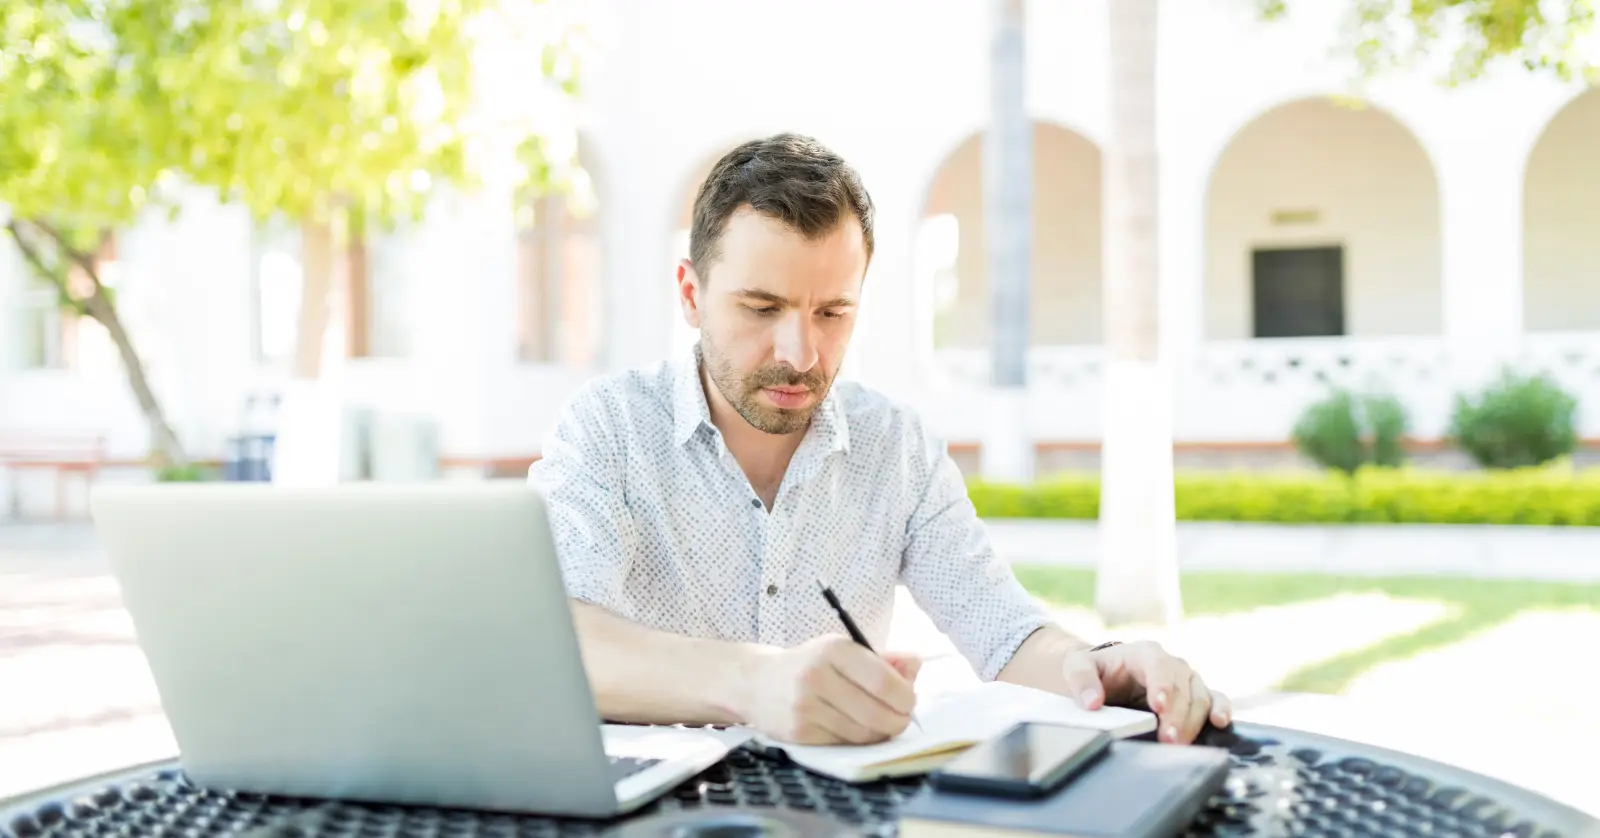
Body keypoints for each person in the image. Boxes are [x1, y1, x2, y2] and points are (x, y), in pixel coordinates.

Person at [527, 132, 1230, 748]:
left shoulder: (897, 449)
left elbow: (1002, 629)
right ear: (690, 295)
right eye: (761, 307)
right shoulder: (608, 430)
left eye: (832, 311)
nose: (800, 353)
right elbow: (553, 643)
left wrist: (1096, 666)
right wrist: (755, 683)